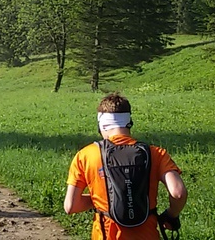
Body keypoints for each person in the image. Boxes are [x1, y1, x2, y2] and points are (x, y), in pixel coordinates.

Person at [64, 92, 187, 240]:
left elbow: (71, 206)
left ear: (101, 124)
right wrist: (171, 214)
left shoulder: (86, 155)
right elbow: (178, 193)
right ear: (129, 122)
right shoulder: (156, 154)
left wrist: (106, 198)